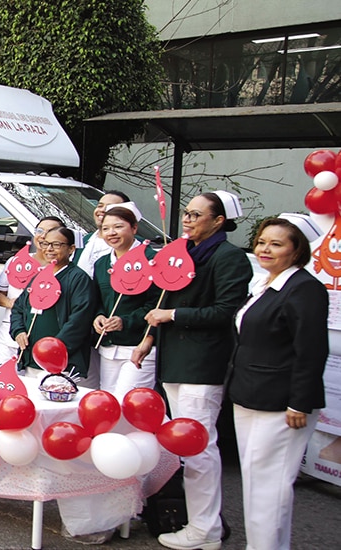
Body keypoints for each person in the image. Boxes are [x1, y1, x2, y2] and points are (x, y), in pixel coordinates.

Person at [132, 190, 252, 550]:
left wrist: (173, 316)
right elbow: (165, 297)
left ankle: (206, 529)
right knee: (185, 446)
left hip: (203, 363)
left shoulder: (229, 258)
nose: (187, 219)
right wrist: (149, 337)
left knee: (199, 446)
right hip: (175, 360)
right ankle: (201, 523)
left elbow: (224, 311)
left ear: (218, 222)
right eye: (185, 212)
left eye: (196, 215)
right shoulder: (182, 251)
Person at [228, 218, 326, 550]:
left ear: (297, 250)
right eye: (261, 242)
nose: (265, 249)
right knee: (257, 485)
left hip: (281, 404)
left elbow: (311, 350)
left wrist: (299, 401)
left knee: (270, 489)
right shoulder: (266, 284)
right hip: (249, 395)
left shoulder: (304, 288)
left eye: (276, 244)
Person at [10, 226, 98, 377]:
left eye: (56, 244)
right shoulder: (39, 276)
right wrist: (18, 331)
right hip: (32, 356)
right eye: (45, 244)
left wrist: (54, 349)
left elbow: (79, 320)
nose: (49, 249)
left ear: (71, 249)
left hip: (60, 362)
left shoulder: (78, 278)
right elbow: (19, 308)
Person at [91, 205, 159, 398]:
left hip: (138, 346)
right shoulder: (102, 263)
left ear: (134, 228)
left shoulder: (152, 260)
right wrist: (98, 316)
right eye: (105, 228)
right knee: (107, 401)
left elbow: (156, 304)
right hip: (108, 348)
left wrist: (125, 321)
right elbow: (98, 300)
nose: (111, 233)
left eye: (118, 227)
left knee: (127, 404)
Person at [0, 216, 64, 367]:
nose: (43, 235)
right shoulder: (16, 261)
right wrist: (12, 304)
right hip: (10, 336)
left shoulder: (62, 270)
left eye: (50, 231)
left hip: (44, 341)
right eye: (40, 230)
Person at [76, 190, 129, 276]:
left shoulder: (131, 245)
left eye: (110, 207)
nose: (102, 210)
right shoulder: (84, 240)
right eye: (100, 206)